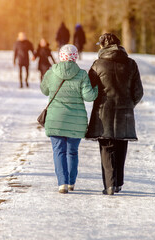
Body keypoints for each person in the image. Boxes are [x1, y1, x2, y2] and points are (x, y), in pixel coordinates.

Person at [85, 33, 143, 195]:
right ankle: (117, 183)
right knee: (121, 145)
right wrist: (129, 104)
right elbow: (138, 92)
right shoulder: (131, 64)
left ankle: (109, 184)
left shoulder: (98, 65)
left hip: (104, 112)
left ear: (103, 46)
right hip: (125, 112)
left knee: (107, 147)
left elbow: (89, 89)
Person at [40, 44, 98, 194]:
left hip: (55, 119)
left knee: (58, 151)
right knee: (72, 152)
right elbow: (89, 96)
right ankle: (71, 182)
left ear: (60, 56)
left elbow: (44, 90)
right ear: (75, 57)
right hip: (76, 121)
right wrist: (97, 87)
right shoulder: (81, 74)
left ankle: (62, 183)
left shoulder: (51, 72)